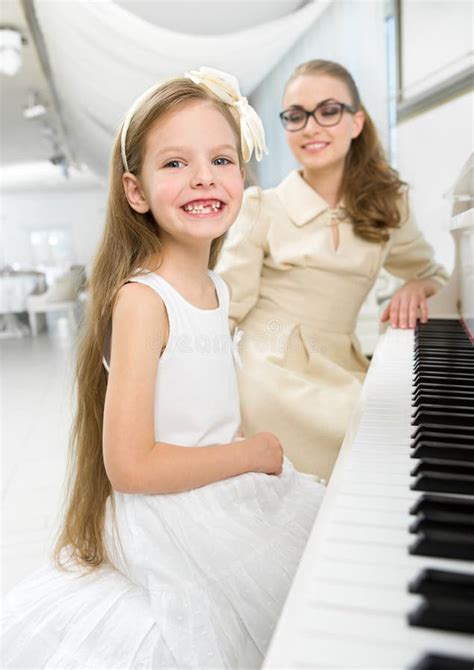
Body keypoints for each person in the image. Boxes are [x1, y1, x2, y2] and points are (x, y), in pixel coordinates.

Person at [1, 68, 325, 669]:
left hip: (215, 490)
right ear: (136, 191)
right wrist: (250, 455)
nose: (203, 175)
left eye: (221, 159)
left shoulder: (216, 288)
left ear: (242, 176)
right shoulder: (143, 300)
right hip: (173, 516)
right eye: (175, 163)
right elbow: (129, 465)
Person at [216, 59, 448, 481]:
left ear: (356, 122)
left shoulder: (389, 206)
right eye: (296, 116)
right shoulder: (261, 206)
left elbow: (438, 277)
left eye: (328, 111)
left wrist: (418, 283)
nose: (310, 127)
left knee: (400, 426)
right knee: (374, 434)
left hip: (339, 361)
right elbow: (226, 307)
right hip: (268, 362)